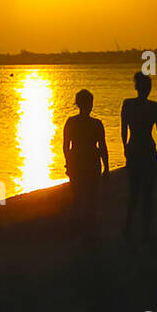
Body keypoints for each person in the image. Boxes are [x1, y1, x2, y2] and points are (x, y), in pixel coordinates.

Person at [121, 71, 157, 241]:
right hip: (143, 149)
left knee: (136, 191)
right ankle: (142, 229)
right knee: (144, 192)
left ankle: (132, 228)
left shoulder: (130, 105)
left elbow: (124, 130)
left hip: (138, 148)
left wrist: (125, 147)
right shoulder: (151, 106)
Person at [62, 89, 109, 237]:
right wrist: (106, 166)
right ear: (90, 104)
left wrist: (68, 162)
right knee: (90, 196)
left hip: (78, 161)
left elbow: (65, 146)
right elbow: (102, 147)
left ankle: (81, 227)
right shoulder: (96, 123)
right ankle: (88, 226)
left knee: (78, 195)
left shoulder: (71, 122)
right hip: (90, 162)